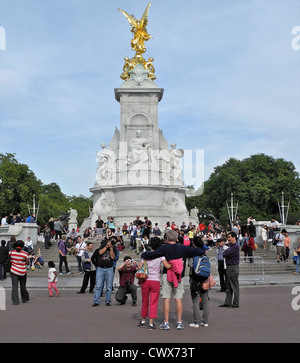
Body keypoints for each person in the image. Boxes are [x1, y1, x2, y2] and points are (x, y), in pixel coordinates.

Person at [141, 230, 206, 330]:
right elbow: (199, 251)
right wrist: (201, 245)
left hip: (167, 274)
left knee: (166, 298)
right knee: (178, 298)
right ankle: (179, 322)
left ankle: (166, 322)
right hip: (179, 275)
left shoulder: (164, 248)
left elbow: (152, 254)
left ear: (167, 239)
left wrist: (144, 255)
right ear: (176, 239)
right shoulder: (183, 248)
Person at [137, 237, 172, 329]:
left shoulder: (145, 255)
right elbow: (167, 266)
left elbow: (139, 267)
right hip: (155, 280)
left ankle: (143, 320)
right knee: (153, 302)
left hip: (145, 280)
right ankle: (151, 323)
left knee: (145, 301)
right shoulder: (161, 256)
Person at [188, 236, 210, 327]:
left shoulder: (193, 254)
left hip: (195, 279)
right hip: (204, 278)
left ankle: (196, 321)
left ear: (194, 244)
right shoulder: (204, 253)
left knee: (195, 301)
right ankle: (205, 321)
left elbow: (190, 264)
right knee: (205, 300)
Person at [91, 238, 117, 306]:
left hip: (109, 269)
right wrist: (106, 246)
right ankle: (96, 301)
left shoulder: (114, 249)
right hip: (100, 269)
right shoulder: (102, 247)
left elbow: (112, 257)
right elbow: (100, 252)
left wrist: (111, 248)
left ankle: (108, 300)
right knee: (98, 285)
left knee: (109, 286)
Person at [219, 232, 240, 308]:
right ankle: (228, 302)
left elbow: (224, 254)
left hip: (233, 267)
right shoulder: (231, 246)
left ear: (234, 237)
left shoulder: (235, 246)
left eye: (229, 237)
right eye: (228, 237)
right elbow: (224, 253)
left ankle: (235, 303)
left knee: (234, 286)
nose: (228, 239)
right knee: (228, 285)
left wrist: (225, 252)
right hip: (229, 267)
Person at [9, 240, 30, 305]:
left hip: (13, 270)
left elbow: (10, 260)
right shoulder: (25, 253)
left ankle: (15, 301)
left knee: (14, 286)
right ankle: (24, 299)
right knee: (23, 285)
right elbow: (27, 262)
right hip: (22, 271)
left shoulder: (11, 252)